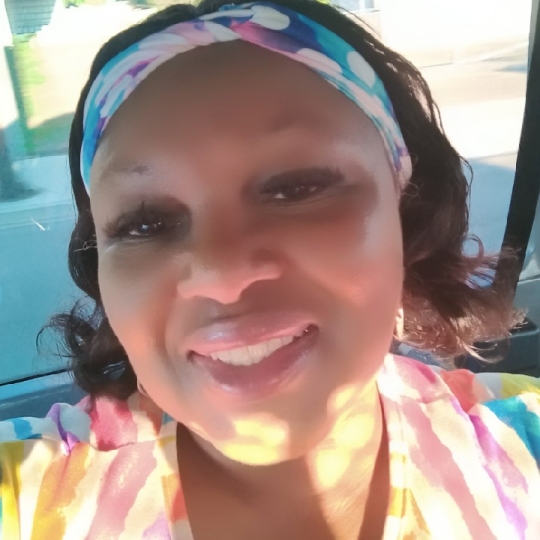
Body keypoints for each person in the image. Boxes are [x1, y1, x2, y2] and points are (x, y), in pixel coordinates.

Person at [1, 0, 539, 538]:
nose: (222, 273)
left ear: (404, 217)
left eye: (297, 188)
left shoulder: (524, 441)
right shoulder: (24, 487)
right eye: (145, 224)